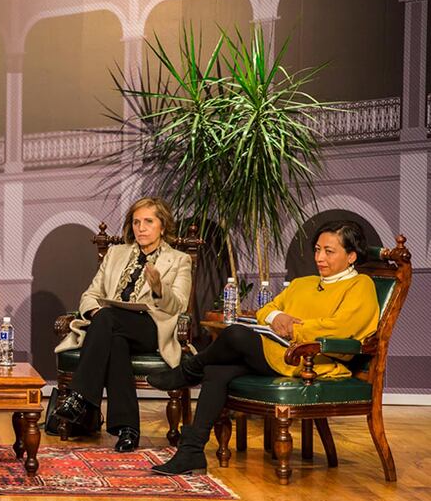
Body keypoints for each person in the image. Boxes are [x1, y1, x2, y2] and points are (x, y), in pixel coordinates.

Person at [147, 220, 380, 475]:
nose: (319, 257)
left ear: (351, 256)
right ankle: (191, 452)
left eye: (329, 251)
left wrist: (294, 328)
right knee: (216, 371)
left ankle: (188, 370)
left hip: (312, 361)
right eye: (317, 249)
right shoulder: (304, 283)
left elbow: (342, 328)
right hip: (279, 351)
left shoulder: (361, 286)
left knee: (235, 334)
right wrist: (275, 318)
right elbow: (266, 309)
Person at [52, 196, 193, 452]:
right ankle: (128, 430)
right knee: (115, 341)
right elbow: (90, 295)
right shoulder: (116, 254)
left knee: (108, 320)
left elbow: (179, 306)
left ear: (163, 225)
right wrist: (94, 312)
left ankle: (80, 397)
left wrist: (160, 288)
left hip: (151, 328)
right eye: (136, 222)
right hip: (112, 327)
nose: (141, 228)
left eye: (148, 221)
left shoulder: (179, 260)